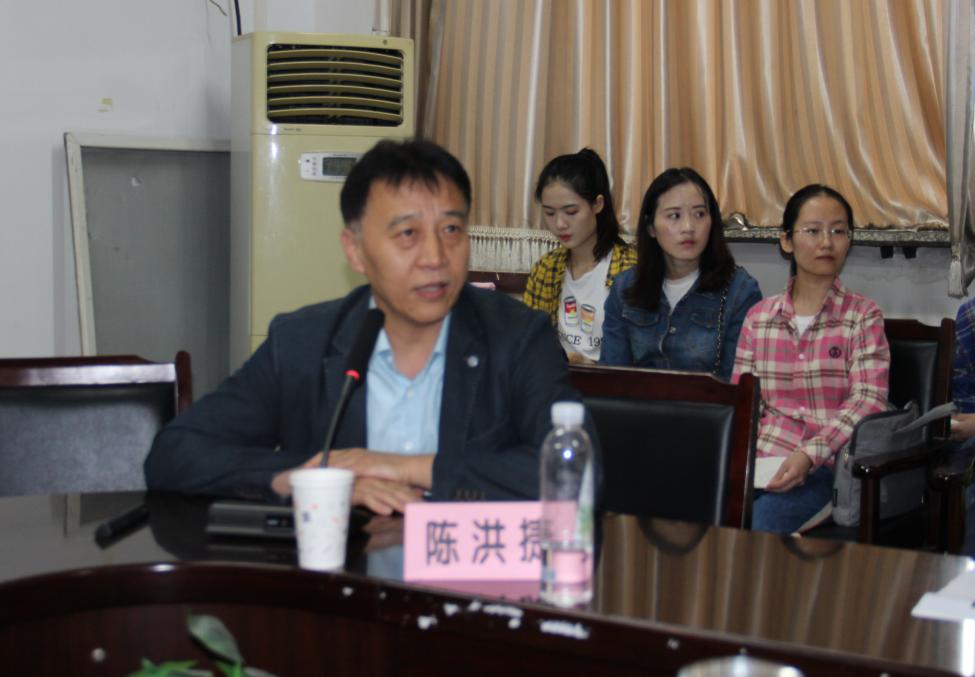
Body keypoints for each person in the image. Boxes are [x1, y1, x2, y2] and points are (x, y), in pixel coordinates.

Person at [145, 139, 589, 514]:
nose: (435, 257)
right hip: (341, 579)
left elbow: (583, 474)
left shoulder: (517, 337)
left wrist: (402, 467)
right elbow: (175, 453)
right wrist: (310, 480)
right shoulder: (302, 343)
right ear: (355, 251)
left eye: (451, 229)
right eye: (407, 234)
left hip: (465, 579)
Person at [732, 184, 890, 534]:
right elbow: (743, 402)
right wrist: (740, 461)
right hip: (760, 464)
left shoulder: (862, 316)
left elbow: (868, 400)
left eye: (838, 231)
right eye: (813, 231)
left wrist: (810, 454)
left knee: (761, 524)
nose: (826, 242)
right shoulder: (759, 318)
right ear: (786, 241)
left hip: (827, 468)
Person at [599, 168, 761, 380]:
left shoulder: (740, 291)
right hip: (637, 401)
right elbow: (612, 378)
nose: (688, 227)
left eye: (699, 214)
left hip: (709, 401)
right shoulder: (625, 287)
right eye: (674, 216)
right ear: (651, 227)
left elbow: (736, 385)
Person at [523, 148, 636, 364]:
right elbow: (528, 341)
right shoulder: (546, 269)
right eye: (549, 213)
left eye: (571, 212)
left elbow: (642, 353)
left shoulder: (630, 268)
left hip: (613, 381)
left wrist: (592, 367)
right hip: (555, 379)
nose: (559, 224)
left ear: (598, 204)